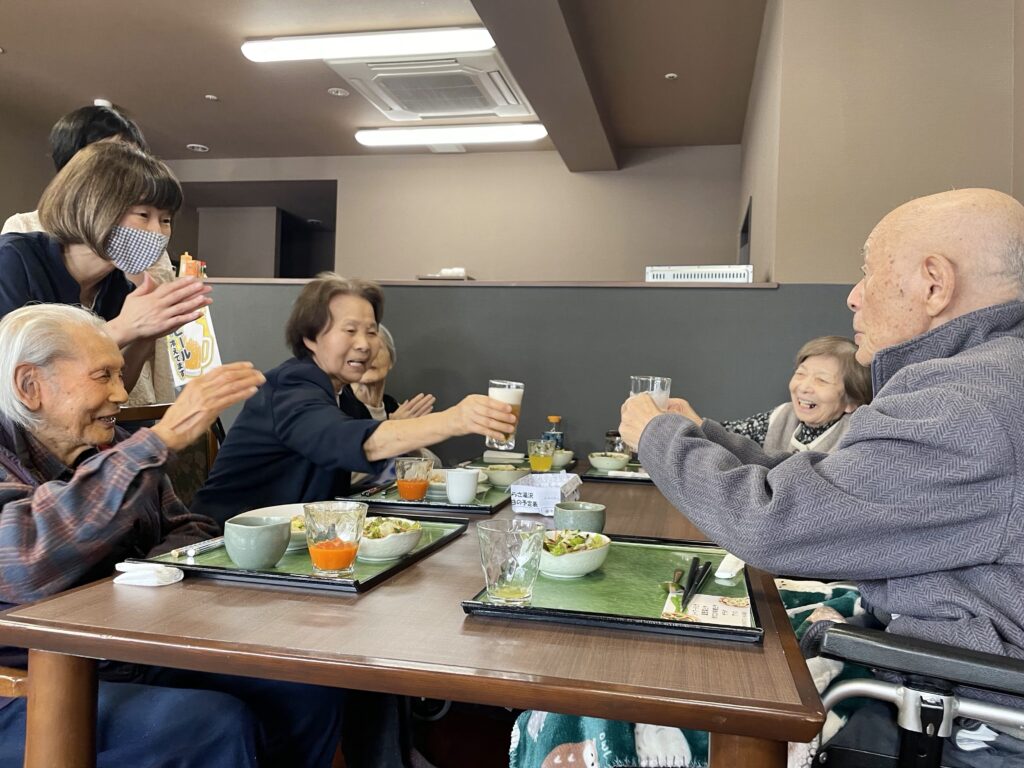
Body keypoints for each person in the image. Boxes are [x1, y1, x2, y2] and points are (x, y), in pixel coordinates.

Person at [620, 188, 1024, 764]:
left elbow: (774, 524)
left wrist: (657, 437)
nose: (854, 296)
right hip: (936, 680)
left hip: (972, 723)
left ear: (934, 284)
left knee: (633, 706)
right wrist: (701, 435)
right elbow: (829, 486)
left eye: (868, 274)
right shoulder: (991, 378)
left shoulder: (964, 403)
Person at [0, 303, 344, 767]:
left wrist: (135, 577)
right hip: (28, 681)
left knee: (307, 688)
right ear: (30, 385)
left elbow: (191, 528)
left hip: (128, 652)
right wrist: (162, 438)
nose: (121, 392)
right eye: (104, 375)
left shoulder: (114, 448)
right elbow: (25, 560)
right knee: (211, 724)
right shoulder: (127, 454)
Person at [191, 272, 517, 525]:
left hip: (299, 542)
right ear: (310, 337)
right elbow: (352, 442)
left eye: (371, 332)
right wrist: (455, 419)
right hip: (225, 541)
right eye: (350, 331)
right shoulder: (291, 385)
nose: (364, 344)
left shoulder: (343, 395)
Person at [0, 141, 209, 394]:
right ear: (96, 207)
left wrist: (146, 336)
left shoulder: (119, 288)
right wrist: (123, 327)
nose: (157, 231)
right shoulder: (14, 259)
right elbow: (17, 373)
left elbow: (116, 389)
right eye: (143, 215)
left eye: (166, 220)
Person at [718, 335, 872, 454]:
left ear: (852, 401)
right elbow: (724, 436)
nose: (804, 387)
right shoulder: (783, 416)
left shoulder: (855, 438)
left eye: (822, 380)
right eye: (800, 374)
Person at [339, 323, 436, 422]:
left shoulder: (394, 407)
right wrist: (393, 426)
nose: (367, 357)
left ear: (390, 361)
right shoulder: (335, 405)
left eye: (376, 348)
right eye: (359, 350)